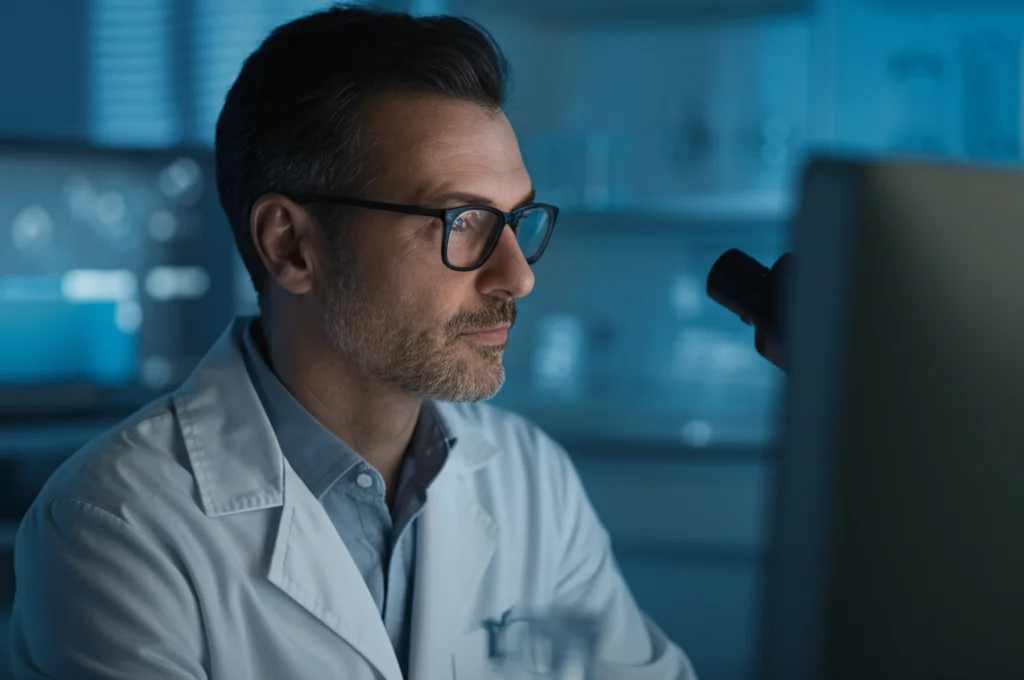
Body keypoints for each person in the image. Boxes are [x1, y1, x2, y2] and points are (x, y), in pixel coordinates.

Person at [9, 6, 695, 679]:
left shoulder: (531, 478)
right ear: (292, 246)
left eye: (516, 221)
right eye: (463, 221)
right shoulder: (115, 527)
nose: (517, 276)